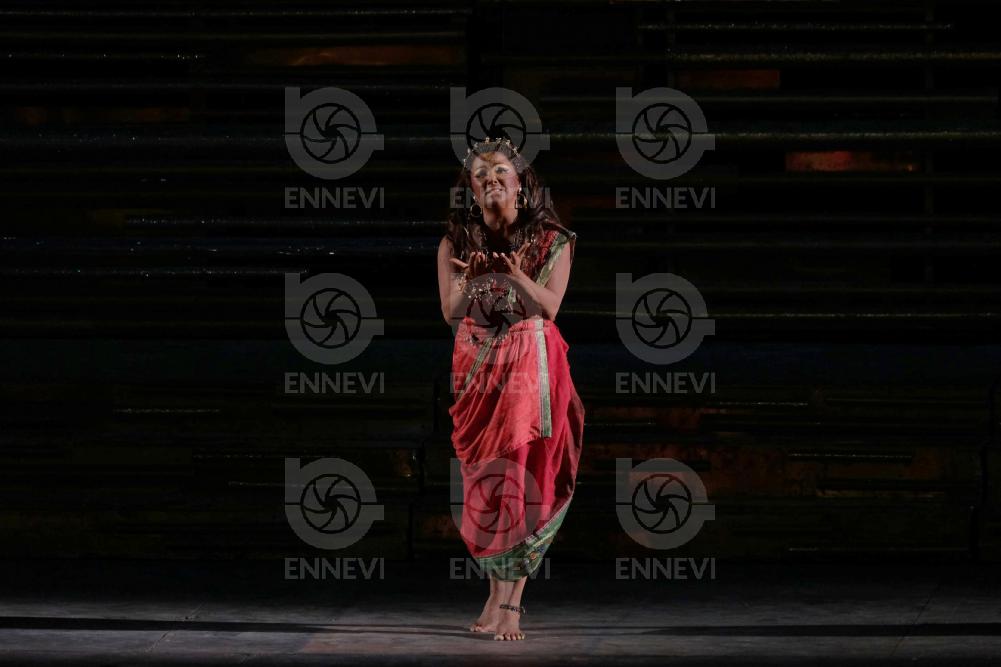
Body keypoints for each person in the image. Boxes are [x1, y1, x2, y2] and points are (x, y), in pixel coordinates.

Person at [435, 137, 585, 641]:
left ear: (521, 182)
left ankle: (511, 605)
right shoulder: (455, 243)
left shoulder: (552, 240)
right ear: (472, 191)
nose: (491, 179)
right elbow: (451, 311)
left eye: (500, 170)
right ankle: (493, 595)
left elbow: (549, 308)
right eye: (480, 175)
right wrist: (475, 281)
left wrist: (515, 273)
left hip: (530, 366)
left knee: (521, 478)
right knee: (487, 484)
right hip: (478, 371)